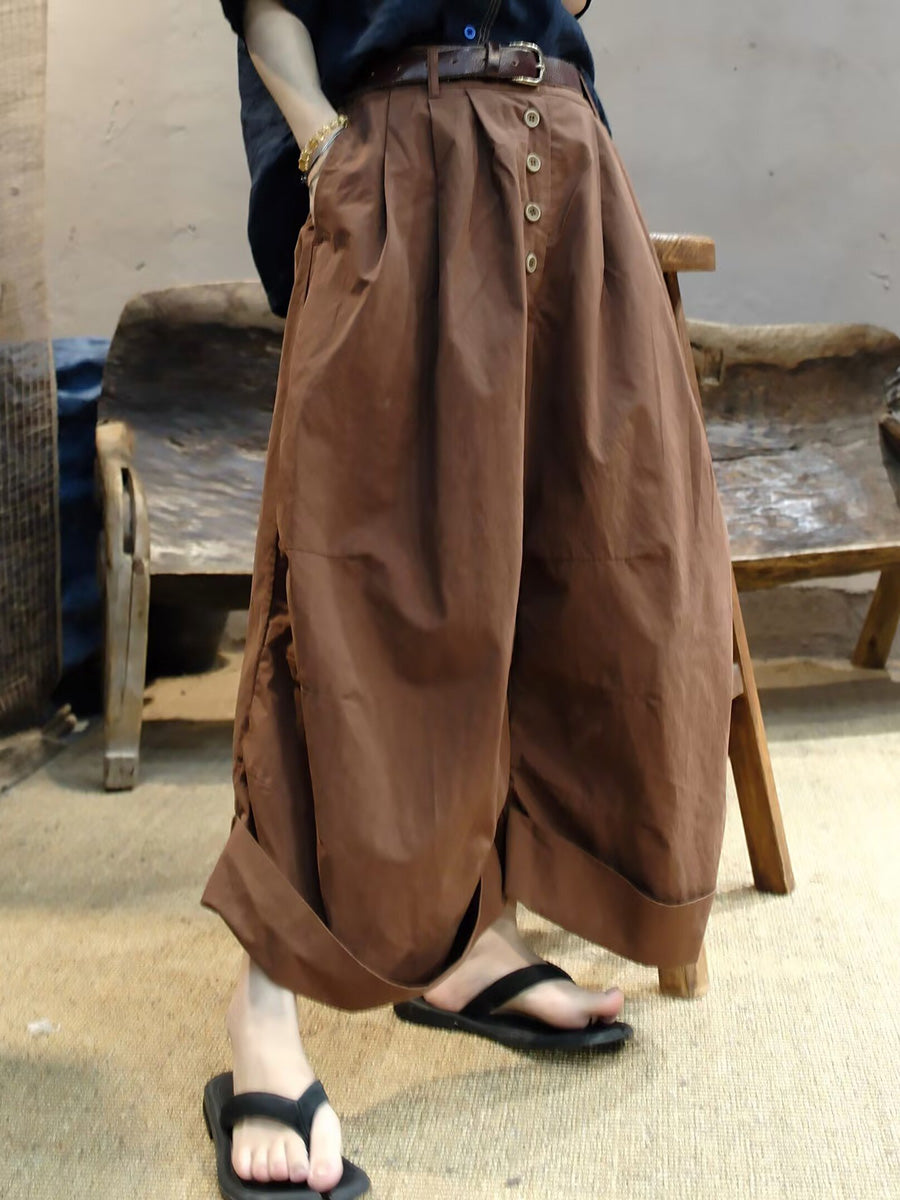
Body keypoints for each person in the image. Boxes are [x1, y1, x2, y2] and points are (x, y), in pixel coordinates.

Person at [201, 3, 734, 1197]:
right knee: (355, 588)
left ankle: (473, 941)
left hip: (566, 154)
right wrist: (323, 146)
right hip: (399, 152)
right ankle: (265, 1009)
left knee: (597, 567)